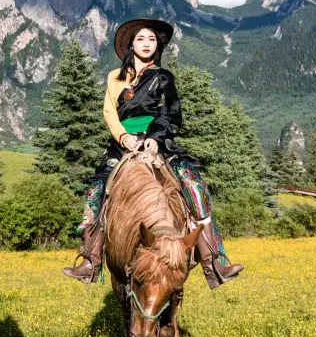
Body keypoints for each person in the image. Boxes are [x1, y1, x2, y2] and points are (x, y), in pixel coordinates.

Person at [62, 18, 244, 289]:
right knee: (96, 191)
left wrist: (156, 139)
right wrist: (123, 136)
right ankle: (91, 260)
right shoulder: (114, 77)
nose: (146, 44)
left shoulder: (163, 77)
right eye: (141, 39)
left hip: (157, 141)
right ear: (131, 45)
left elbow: (171, 112)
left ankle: (213, 263)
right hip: (122, 142)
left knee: (194, 186)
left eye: (151, 40)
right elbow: (109, 111)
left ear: (157, 45)